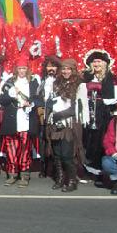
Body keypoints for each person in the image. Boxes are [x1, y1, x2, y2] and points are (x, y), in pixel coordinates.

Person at [0, 54, 42, 188]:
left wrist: (31, 105)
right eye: (19, 69)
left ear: (27, 69)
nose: (22, 71)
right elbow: (2, 101)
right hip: (12, 121)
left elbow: (39, 99)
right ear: (16, 69)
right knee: (11, 149)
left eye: (24, 68)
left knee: (25, 149)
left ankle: (24, 174)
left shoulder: (33, 82)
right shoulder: (9, 82)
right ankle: (12, 173)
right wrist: (10, 94)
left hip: (26, 121)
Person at [45, 59, 88, 192]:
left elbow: (78, 106)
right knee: (57, 153)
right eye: (63, 69)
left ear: (73, 70)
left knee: (67, 154)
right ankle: (60, 178)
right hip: (55, 121)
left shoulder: (79, 85)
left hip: (70, 123)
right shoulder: (56, 83)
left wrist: (61, 114)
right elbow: (50, 100)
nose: (65, 71)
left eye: (68, 69)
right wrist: (51, 112)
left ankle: (72, 180)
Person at [82, 49, 117, 179]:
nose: (96, 64)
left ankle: (98, 167)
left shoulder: (108, 77)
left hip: (102, 112)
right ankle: (87, 166)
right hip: (87, 110)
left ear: (104, 63)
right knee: (88, 138)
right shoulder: (86, 76)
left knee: (100, 139)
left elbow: (110, 97)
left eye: (99, 61)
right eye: (94, 61)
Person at [36, 55, 62, 178]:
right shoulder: (42, 81)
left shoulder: (61, 81)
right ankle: (43, 166)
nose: (51, 68)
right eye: (49, 66)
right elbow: (37, 97)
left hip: (56, 114)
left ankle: (56, 169)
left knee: (55, 141)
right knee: (43, 141)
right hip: (43, 115)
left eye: (54, 66)